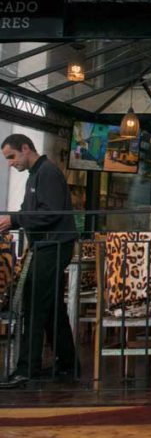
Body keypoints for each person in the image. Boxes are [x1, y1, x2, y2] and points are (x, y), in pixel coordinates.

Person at [0, 134, 78, 387]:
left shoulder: (47, 173)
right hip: (46, 245)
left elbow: (50, 213)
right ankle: (68, 364)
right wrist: (17, 219)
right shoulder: (37, 175)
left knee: (34, 304)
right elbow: (35, 213)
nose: (11, 163)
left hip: (53, 246)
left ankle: (26, 369)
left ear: (26, 148)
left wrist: (15, 219)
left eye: (12, 157)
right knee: (51, 307)